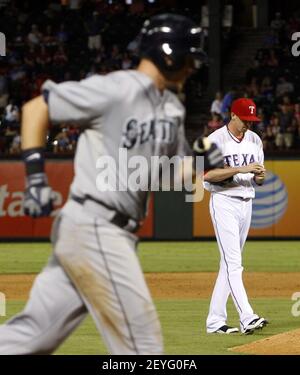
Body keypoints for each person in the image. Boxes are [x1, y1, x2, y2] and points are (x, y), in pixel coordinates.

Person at [0, 13, 223, 355]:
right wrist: (35, 177)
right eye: (190, 57)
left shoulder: (173, 109)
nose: (193, 67)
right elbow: (36, 109)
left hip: (109, 234)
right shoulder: (116, 88)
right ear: (169, 53)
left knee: (32, 336)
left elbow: (165, 173)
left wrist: (197, 164)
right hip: (95, 226)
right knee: (143, 348)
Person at [203, 98, 269, 335]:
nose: (248, 125)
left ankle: (215, 321)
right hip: (224, 202)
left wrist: (259, 176)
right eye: (245, 119)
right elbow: (208, 175)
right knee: (234, 264)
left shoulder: (254, 140)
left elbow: (258, 179)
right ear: (232, 115)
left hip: (246, 202)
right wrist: (240, 169)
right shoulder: (215, 140)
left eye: (252, 120)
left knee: (228, 265)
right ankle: (247, 316)